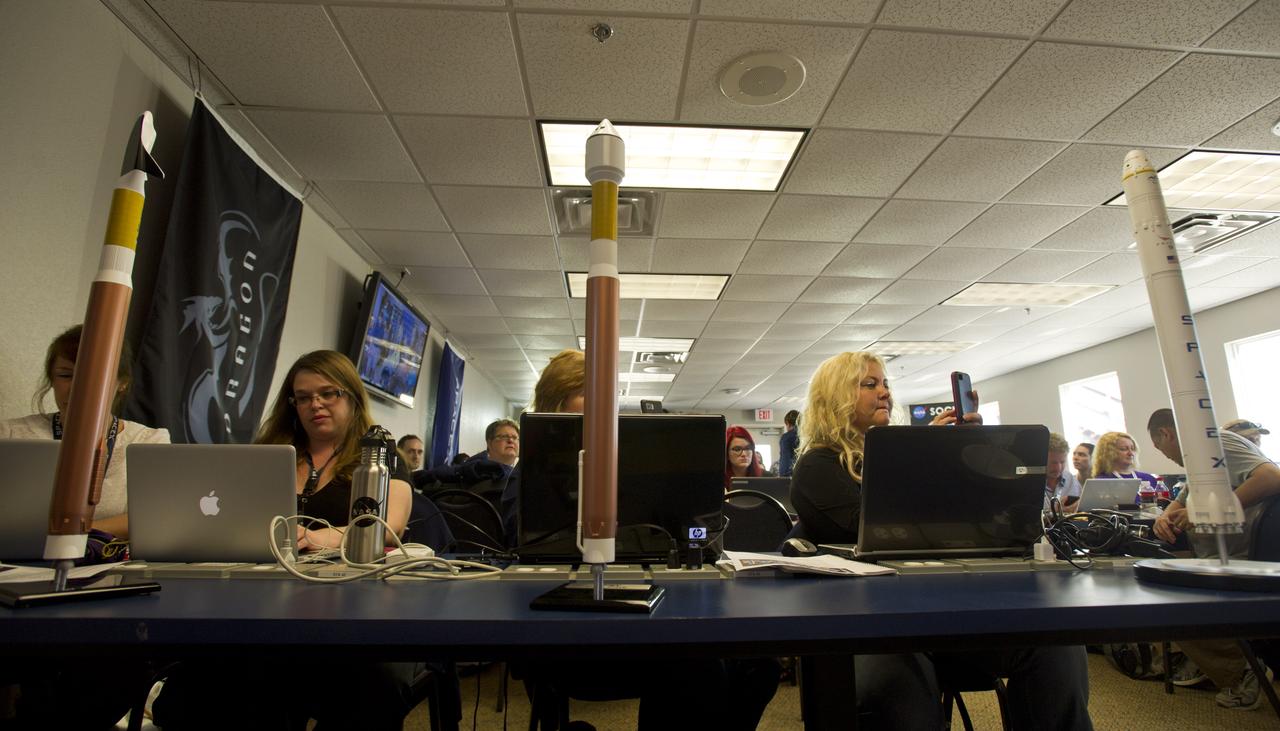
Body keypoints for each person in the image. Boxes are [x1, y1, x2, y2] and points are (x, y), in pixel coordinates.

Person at [790, 351, 1093, 730]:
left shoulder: (906, 452)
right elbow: (880, 525)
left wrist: (974, 452)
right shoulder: (819, 465)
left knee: (1056, 644)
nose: (884, 392)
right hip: (874, 620)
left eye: (885, 383)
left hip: (951, 607)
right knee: (895, 684)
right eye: (869, 384)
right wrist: (925, 454)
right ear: (833, 398)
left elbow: (983, 522)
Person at [153, 350, 419, 729]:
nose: (316, 405)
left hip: (355, 604)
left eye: (329, 393)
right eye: (304, 397)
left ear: (353, 397)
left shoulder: (382, 457)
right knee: (205, 682)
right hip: (265, 601)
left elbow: (384, 526)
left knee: (373, 684)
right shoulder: (269, 453)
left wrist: (314, 537)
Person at [1149, 408, 1280, 710]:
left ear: (1167, 434)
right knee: (1158, 577)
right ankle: (1213, 661)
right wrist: (1164, 518)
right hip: (1214, 555)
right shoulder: (1200, 461)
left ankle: (1241, 669)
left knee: (1164, 599)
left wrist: (1202, 513)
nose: (1165, 456)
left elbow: (1272, 477)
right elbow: (1181, 500)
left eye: (1160, 448)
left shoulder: (1214, 443)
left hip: (1241, 559)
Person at [0, 324, 169, 539]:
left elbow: (154, 515)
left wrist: (72, 535)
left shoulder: (148, 441)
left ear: (122, 383)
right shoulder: (11, 434)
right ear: (51, 379)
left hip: (110, 567)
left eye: (94, 376)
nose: (78, 387)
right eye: (65, 375)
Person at [1092, 431, 1162, 502]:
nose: (1131, 453)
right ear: (1108, 453)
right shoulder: (1101, 482)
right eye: (1124, 449)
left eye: (1132, 448)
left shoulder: (1149, 479)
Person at [1046, 432, 1082, 511]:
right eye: (1053, 462)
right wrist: (1053, 513)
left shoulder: (1071, 481)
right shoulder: (1029, 483)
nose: (1058, 468)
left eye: (1062, 462)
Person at [725, 425, 764, 489]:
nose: (744, 454)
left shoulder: (765, 477)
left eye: (748, 448)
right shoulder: (717, 480)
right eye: (737, 449)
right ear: (727, 453)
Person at [778, 409, 799, 477]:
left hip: (791, 475)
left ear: (788, 423)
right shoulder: (807, 436)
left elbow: (785, 459)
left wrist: (783, 477)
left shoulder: (786, 438)